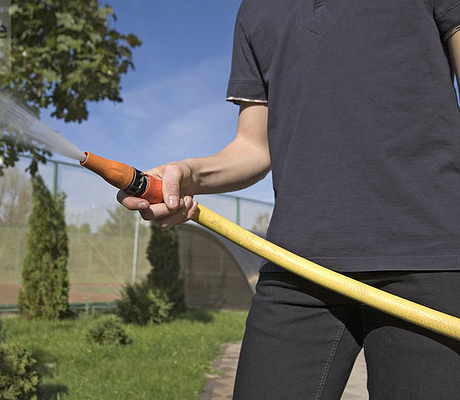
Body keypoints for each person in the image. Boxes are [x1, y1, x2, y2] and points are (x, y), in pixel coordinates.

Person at [120, 1, 460, 398]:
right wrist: (188, 175)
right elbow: (253, 147)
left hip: (432, 259)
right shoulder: (255, 11)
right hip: (296, 266)